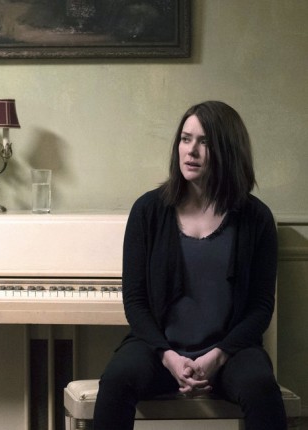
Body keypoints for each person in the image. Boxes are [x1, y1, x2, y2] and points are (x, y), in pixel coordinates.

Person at [93, 101, 287, 430]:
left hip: (230, 352)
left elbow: (260, 307)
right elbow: (135, 301)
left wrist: (217, 356)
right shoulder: (148, 210)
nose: (191, 151)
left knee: (261, 388)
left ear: (228, 149)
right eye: (185, 139)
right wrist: (169, 357)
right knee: (116, 380)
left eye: (204, 142)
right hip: (158, 351)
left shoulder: (257, 218)